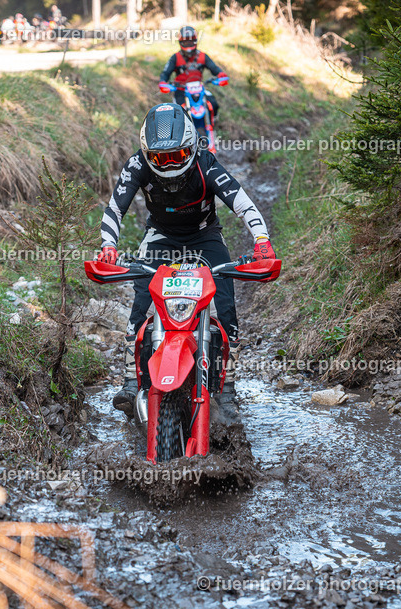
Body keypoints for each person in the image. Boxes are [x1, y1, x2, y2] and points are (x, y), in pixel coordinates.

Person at [97, 104, 276, 419]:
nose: (168, 165)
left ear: (192, 149)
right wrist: (108, 246)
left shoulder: (207, 164)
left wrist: (262, 242)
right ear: (147, 153)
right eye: (160, 158)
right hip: (160, 237)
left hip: (204, 237)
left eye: (177, 156)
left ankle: (229, 391)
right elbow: (115, 209)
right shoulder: (137, 165)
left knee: (227, 307)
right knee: (141, 300)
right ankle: (130, 382)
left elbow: (242, 202)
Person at [158, 26, 228, 123]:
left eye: (191, 41)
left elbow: (214, 68)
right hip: (181, 90)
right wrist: (163, 82)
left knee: (213, 104)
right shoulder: (175, 57)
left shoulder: (202, 56)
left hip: (199, 90)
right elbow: (165, 73)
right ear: (181, 42)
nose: (188, 44)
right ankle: (182, 134)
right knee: (179, 112)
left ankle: (213, 123)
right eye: (186, 42)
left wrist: (221, 75)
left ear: (195, 41)